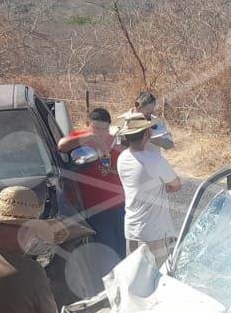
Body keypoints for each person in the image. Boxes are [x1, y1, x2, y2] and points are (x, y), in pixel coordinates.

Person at [56, 107, 124, 257]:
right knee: (107, 250)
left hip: (120, 206)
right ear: (88, 124)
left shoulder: (115, 141)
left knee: (123, 250)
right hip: (96, 209)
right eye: (96, 128)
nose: (100, 132)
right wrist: (90, 138)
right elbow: (61, 145)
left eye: (104, 128)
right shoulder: (80, 138)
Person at [116, 113, 182, 266]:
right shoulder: (155, 160)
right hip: (155, 233)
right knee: (159, 278)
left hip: (132, 230)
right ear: (147, 133)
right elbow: (176, 184)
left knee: (136, 276)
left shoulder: (122, 158)